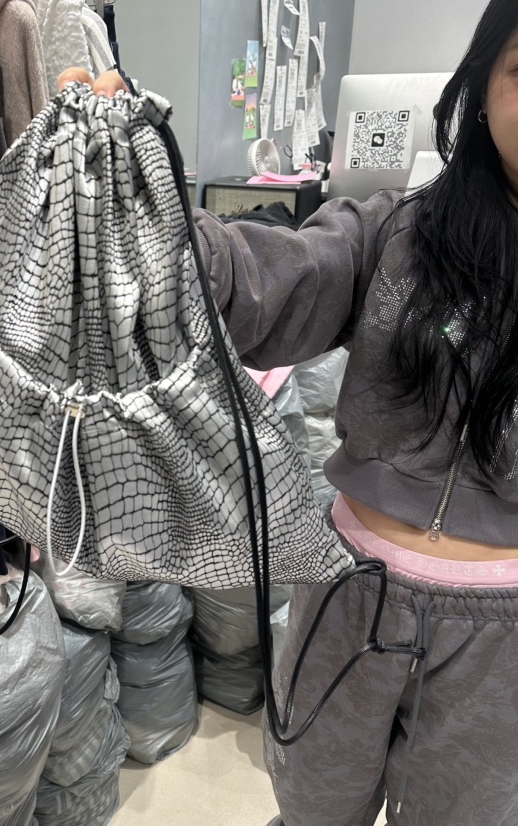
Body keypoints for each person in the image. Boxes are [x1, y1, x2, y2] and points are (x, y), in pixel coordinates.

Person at [60, 0, 518, 823]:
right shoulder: (397, 235)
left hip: (503, 643)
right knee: (312, 803)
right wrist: (146, 202)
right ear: (482, 87)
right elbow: (267, 276)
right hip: (351, 595)